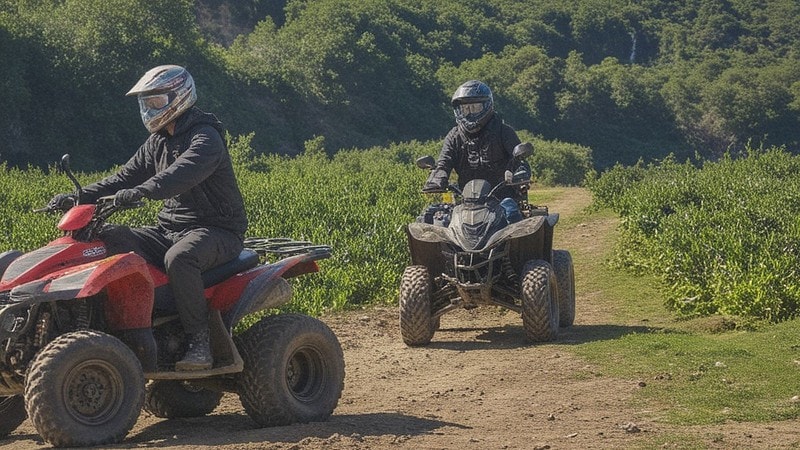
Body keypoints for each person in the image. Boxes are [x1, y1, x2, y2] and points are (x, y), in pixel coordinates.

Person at [49, 65, 248, 371]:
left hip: (217, 231)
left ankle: (199, 340)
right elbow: (122, 177)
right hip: (168, 229)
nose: (149, 109)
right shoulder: (158, 141)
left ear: (179, 95)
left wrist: (142, 191)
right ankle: (127, 324)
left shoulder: (206, 138)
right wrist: (78, 197)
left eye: (155, 101)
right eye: (146, 103)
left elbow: (181, 174)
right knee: (110, 237)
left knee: (181, 259)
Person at [423, 80, 531, 223]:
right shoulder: (454, 136)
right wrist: (436, 180)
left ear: (487, 106)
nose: (469, 112)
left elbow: (519, 159)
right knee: (434, 219)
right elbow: (444, 163)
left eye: (475, 107)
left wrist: (520, 173)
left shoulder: (503, 131)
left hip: (501, 197)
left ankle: (518, 246)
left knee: (511, 214)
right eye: (465, 108)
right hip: (466, 201)